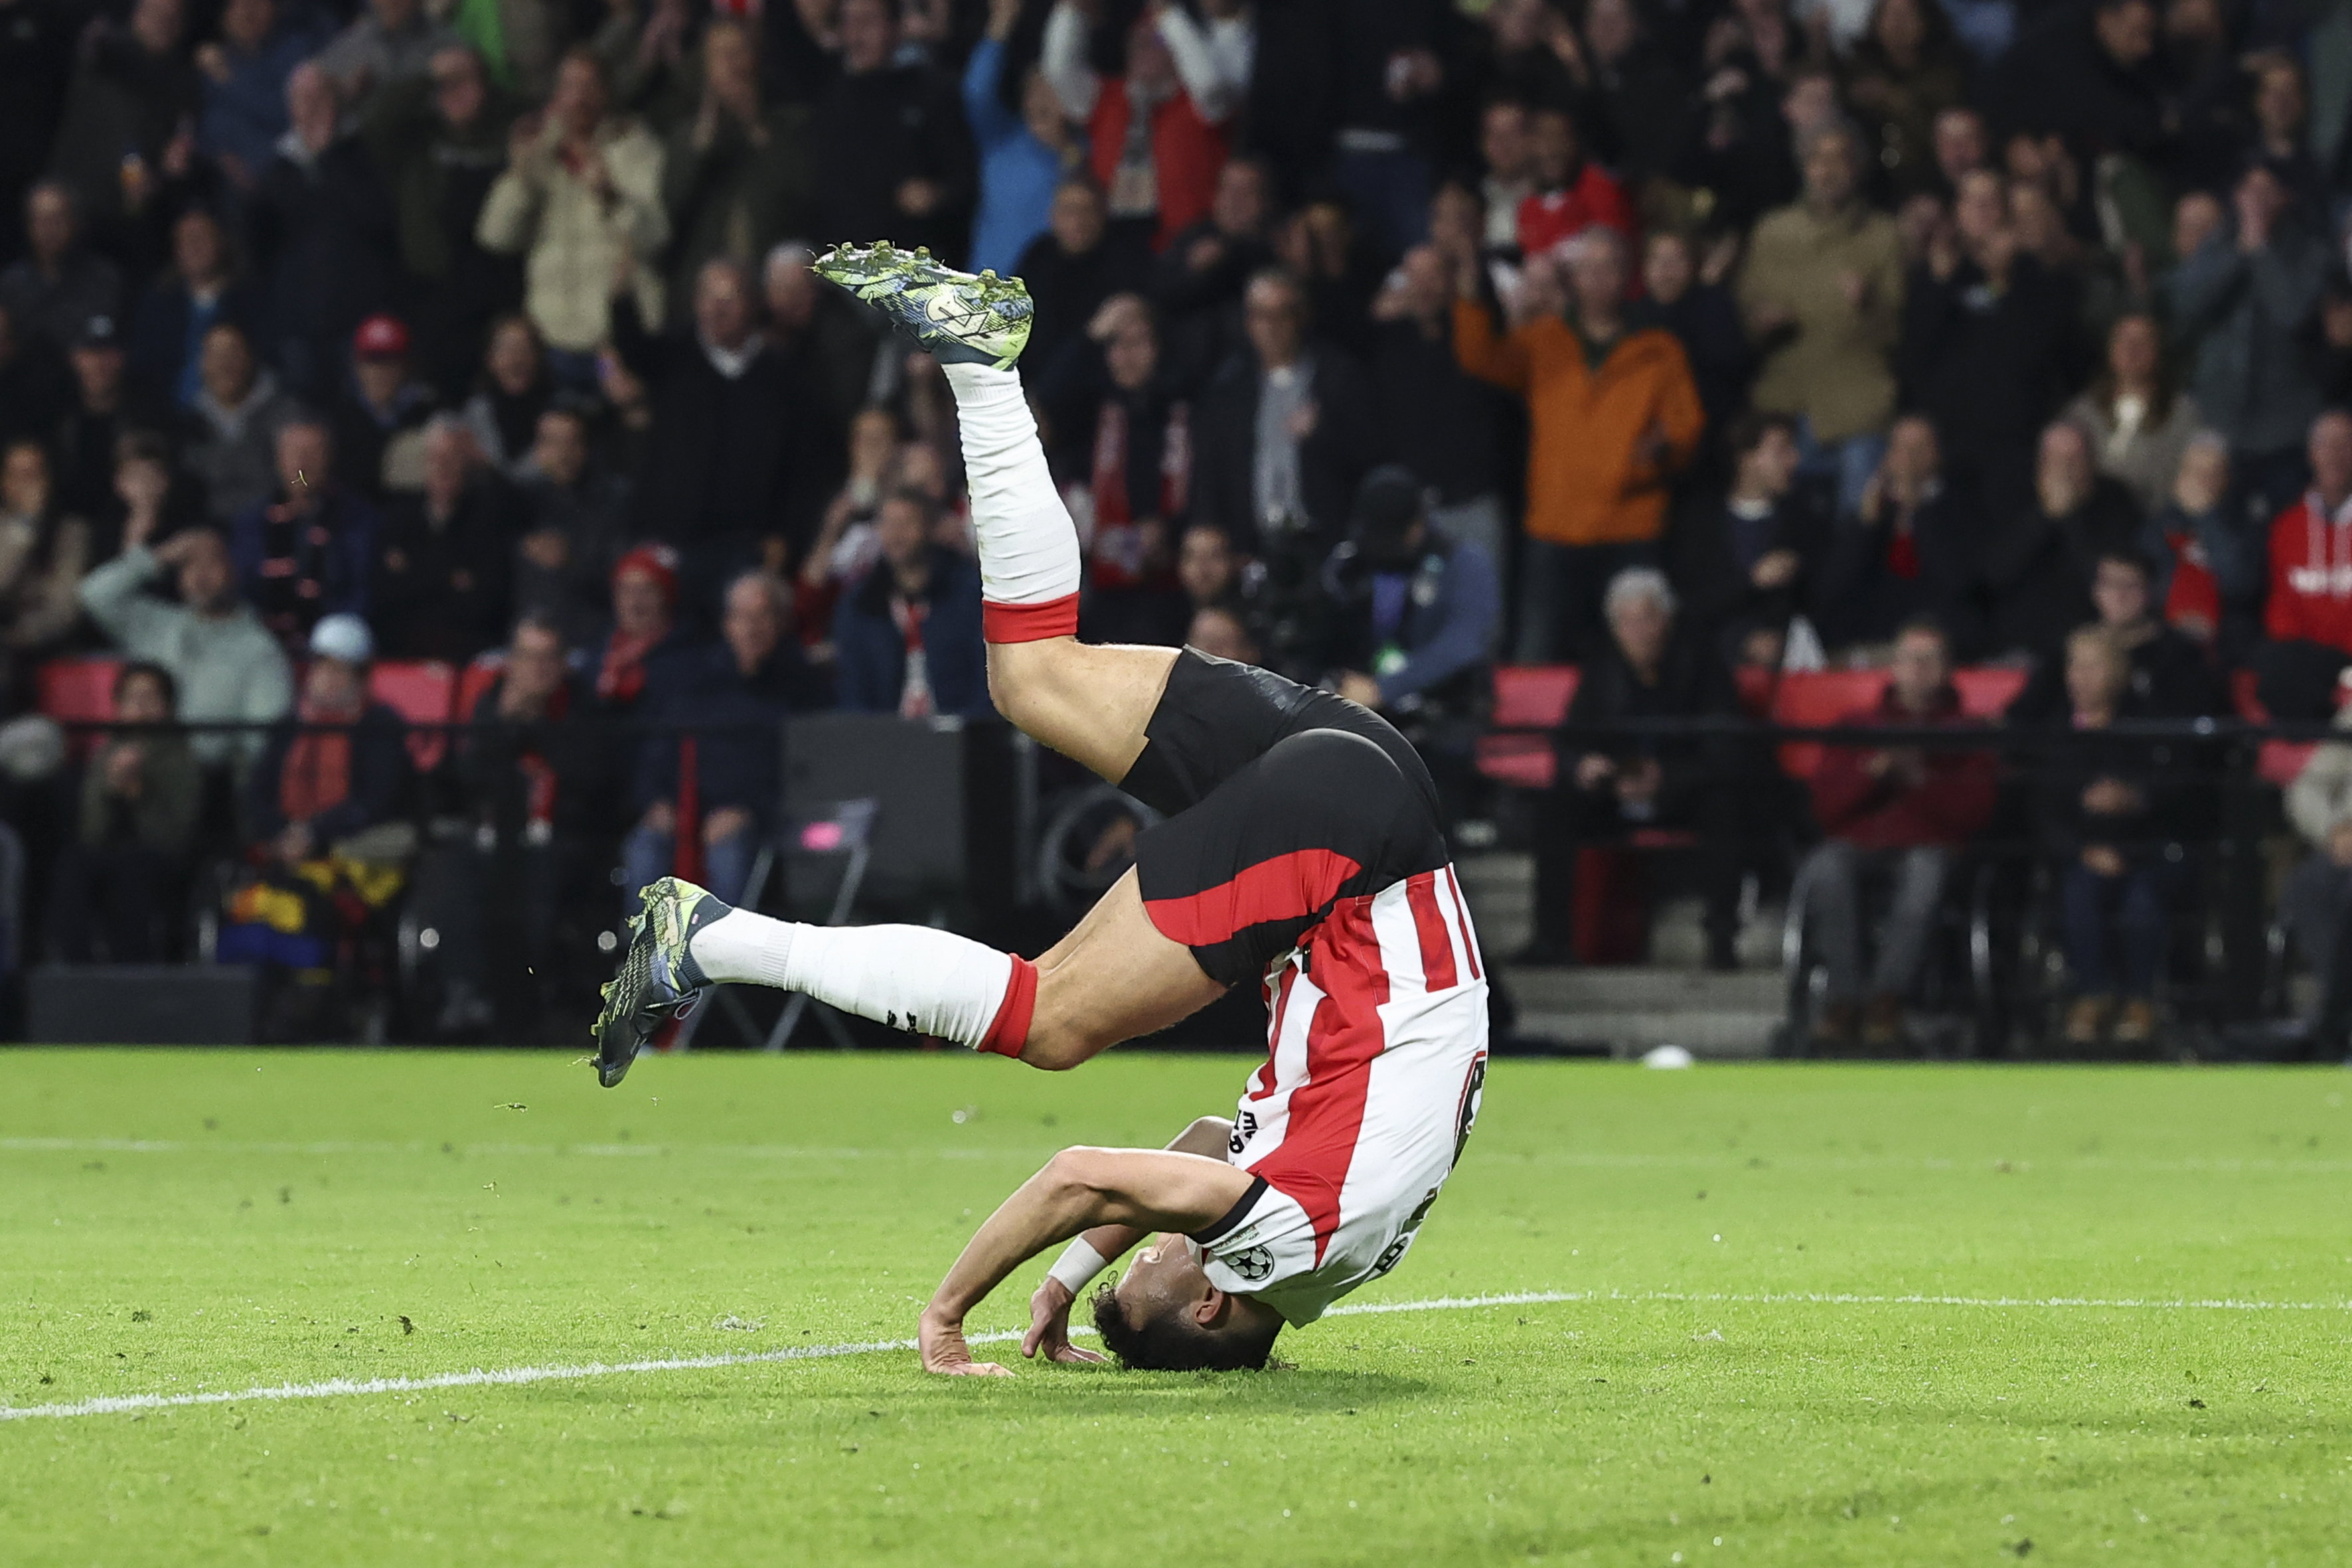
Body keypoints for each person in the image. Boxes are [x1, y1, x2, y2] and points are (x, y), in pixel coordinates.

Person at [593, 244, 1489, 1379]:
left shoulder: (1311, 1254)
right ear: (1210, 1308)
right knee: (1052, 1020)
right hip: (1352, 855)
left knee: (1032, 676)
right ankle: (710, 936)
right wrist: (950, 1306)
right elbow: (1083, 1172)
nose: (1142, 1250)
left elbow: (1207, 1149)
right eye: (1140, 1272)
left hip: (1376, 785)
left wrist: (1068, 1279)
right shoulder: (1280, 1247)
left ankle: (982, 364)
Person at [1450, 226, 1705, 662]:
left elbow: (1687, 428)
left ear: (1626, 276)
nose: (1598, 279)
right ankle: (1530, 734)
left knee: (1637, 656)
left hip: (1630, 525)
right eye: (1588, 269)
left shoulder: (1659, 349)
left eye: (1608, 268)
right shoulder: (1544, 340)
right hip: (1556, 525)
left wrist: (1654, 457)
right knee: (1538, 654)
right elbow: (1481, 359)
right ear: (1573, 279)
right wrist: (1471, 294)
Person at [1532, 567, 1746, 969]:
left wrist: (1666, 777)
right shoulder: (1602, 665)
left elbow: (1726, 751)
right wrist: (1586, 766)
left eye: (1646, 618)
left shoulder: (1703, 664)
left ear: (1666, 619)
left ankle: (1722, 940)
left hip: (1681, 792)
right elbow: (1570, 738)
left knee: (1725, 806)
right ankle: (1551, 941)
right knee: (1556, 805)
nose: (1637, 631)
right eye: (1625, 621)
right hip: (1615, 792)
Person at [1798, 620, 1996, 1051]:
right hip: (1861, 840)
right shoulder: (1855, 725)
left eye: (1930, 659)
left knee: (1925, 873)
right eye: (1910, 658)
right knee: (1824, 867)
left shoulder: (1968, 732)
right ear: (1893, 666)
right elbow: (1824, 809)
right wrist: (1870, 774)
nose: (1919, 669)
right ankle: (1843, 1000)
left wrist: (1920, 779)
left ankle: (1886, 1000)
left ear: (1948, 669)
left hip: (1930, 843)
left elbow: (1974, 813)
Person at [621, 570, 819, 912]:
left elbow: (803, 773)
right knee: (645, 846)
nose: (752, 628)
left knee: (729, 851)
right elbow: (658, 751)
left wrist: (749, 811)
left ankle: (726, 962)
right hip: (684, 811)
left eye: (763, 616)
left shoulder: (800, 689)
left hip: (758, 821)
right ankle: (645, 959)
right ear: (727, 623)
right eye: (742, 617)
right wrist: (656, 801)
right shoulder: (692, 682)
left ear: (780, 623)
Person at [1737, 121, 1903, 519]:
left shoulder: (1882, 234)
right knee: (1780, 525)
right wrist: (1760, 322)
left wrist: (1868, 304)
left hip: (1858, 407)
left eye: (1839, 159)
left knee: (1858, 525)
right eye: (1817, 159)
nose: (1827, 170)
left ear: (1858, 168)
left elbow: (1897, 329)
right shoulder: (1772, 232)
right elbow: (1746, 317)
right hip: (1786, 405)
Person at [2037, 623, 2183, 1049]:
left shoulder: (2150, 727)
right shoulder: (2054, 733)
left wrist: (2134, 800)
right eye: (2075, 666)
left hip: (2146, 852)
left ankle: (2139, 999)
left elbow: (2175, 795)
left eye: (2094, 667)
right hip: (2078, 854)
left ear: (2119, 673)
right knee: (2079, 889)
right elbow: (2043, 810)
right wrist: (2083, 848)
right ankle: (2091, 995)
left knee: (2143, 897)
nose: (2081, 677)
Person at [476, 48, 668, 367]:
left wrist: (611, 196)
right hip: (549, 340)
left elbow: (656, 238)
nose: (578, 98)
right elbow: (495, 238)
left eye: (589, 87)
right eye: (569, 87)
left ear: (607, 94)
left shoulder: (637, 149)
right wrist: (521, 176)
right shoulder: (541, 153)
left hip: (613, 341)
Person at [47, 661, 200, 964]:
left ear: (167, 707)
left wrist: (139, 795)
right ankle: (75, 970)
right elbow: (90, 832)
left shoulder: (181, 758)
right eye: (132, 698)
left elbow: (177, 837)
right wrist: (111, 791)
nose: (141, 706)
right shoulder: (106, 754)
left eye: (150, 697)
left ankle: (132, 977)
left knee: (132, 869)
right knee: (72, 865)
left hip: (156, 860)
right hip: (106, 854)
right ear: (118, 705)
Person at [1668, 412, 1830, 663]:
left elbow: (1823, 598)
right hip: (1713, 663)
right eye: (1781, 450)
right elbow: (1691, 604)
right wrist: (1751, 582)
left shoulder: (1804, 521)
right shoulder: (1701, 525)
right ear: (1747, 459)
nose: (1794, 459)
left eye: (1793, 449)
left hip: (1790, 663)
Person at [2007, 551, 2220, 722]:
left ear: (2149, 592)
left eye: (2130, 586)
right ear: (2095, 591)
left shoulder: (2179, 654)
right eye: (2109, 583)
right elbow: (2024, 715)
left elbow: (2192, 723)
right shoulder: (2071, 647)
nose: (2119, 596)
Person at [372, 415, 518, 663]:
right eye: (435, 458)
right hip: (406, 651)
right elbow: (385, 599)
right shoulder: (399, 520)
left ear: (466, 465)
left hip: (468, 652)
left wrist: (415, 571)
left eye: (451, 459)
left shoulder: (487, 520)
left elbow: (484, 604)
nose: (442, 467)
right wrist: (450, 577)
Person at [834, 487, 988, 717]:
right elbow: (855, 692)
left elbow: (985, 680)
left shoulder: (969, 595)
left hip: (960, 738)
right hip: (886, 743)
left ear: (930, 528)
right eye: (887, 523)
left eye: (907, 523)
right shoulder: (861, 604)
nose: (896, 534)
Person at [230, 418, 379, 655]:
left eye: (313, 453)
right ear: (279, 460)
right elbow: (242, 592)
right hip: (263, 648)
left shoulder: (359, 520)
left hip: (333, 651)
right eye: (295, 453)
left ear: (330, 459)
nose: (302, 466)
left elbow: (361, 592)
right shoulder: (252, 523)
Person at [2252, 410, 2352, 719]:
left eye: (2345, 444)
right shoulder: (2286, 526)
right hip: (2303, 660)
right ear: (2311, 454)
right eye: (2326, 445)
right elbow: (2281, 609)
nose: (2335, 455)